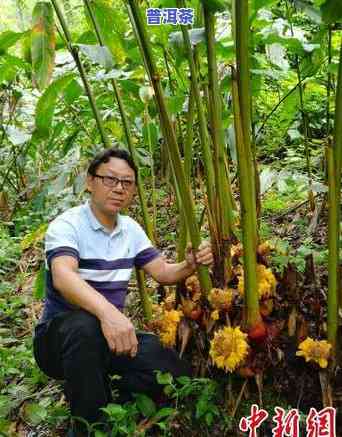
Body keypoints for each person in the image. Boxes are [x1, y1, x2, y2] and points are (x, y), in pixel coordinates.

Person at [33, 148, 213, 436]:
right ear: (90, 182)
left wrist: (190, 264)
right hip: (59, 341)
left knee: (174, 371)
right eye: (110, 179)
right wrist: (109, 314)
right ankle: (88, 427)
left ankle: (104, 389)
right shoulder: (67, 225)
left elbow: (163, 272)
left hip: (107, 338)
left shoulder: (130, 229)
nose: (119, 188)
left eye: (127, 183)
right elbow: (64, 277)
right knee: (84, 326)